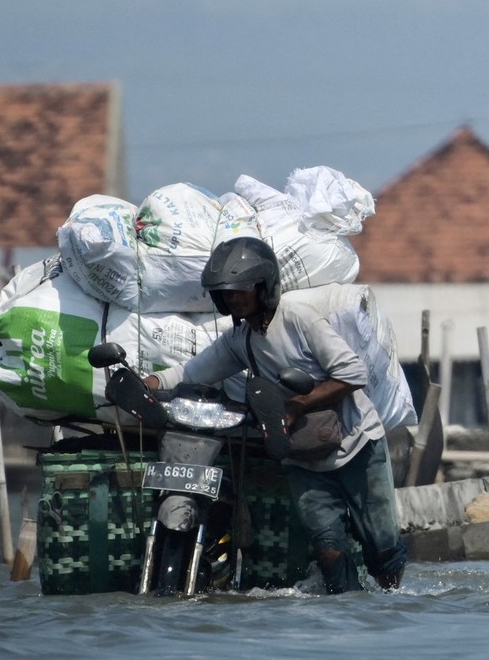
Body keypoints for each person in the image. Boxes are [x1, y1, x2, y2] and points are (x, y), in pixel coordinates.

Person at [145, 237, 408, 594]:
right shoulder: (241, 340)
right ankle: (350, 610)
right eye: (227, 293)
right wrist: (151, 381)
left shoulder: (298, 319)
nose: (234, 299)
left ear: (264, 287)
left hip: (357, 444)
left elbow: (353, 373)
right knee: (328, 550)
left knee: (384, 550)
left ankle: (392, 608)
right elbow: (194, 370)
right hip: (302, 459)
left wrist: (299, 404)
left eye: (242, 290)